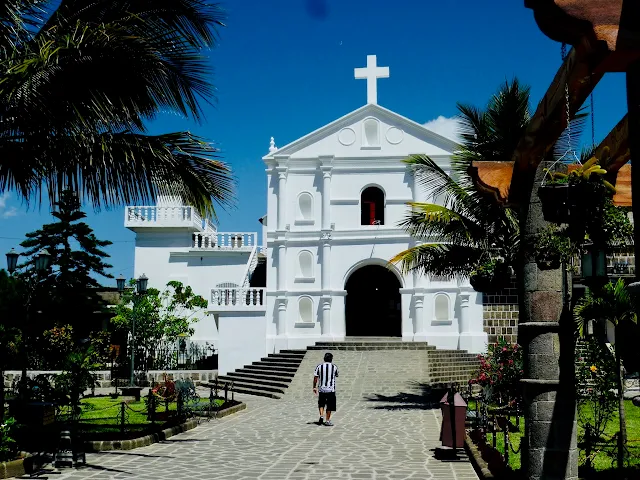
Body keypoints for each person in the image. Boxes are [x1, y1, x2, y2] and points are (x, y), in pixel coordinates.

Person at [313, 352, 339, 426]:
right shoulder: (334, 367)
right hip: (331, 389)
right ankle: (327, 420)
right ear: (331, 359)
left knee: (321, 403)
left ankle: (321, 415)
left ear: (324, 358)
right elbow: (337, 374)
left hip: (322, 389)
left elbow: (315, 377)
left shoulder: (319, 366)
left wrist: (314, 387)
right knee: (330, 405)